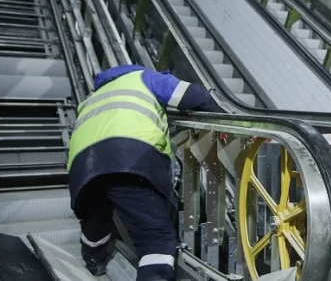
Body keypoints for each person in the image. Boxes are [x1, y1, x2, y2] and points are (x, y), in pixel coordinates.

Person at [67, 64, 223, 281]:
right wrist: (223, 119)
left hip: (82, 167)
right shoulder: (145, 78)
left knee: (97, 216)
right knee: (155, 237)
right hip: (128, 158)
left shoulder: (92, 97)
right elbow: (192, 95)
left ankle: (93, 260)